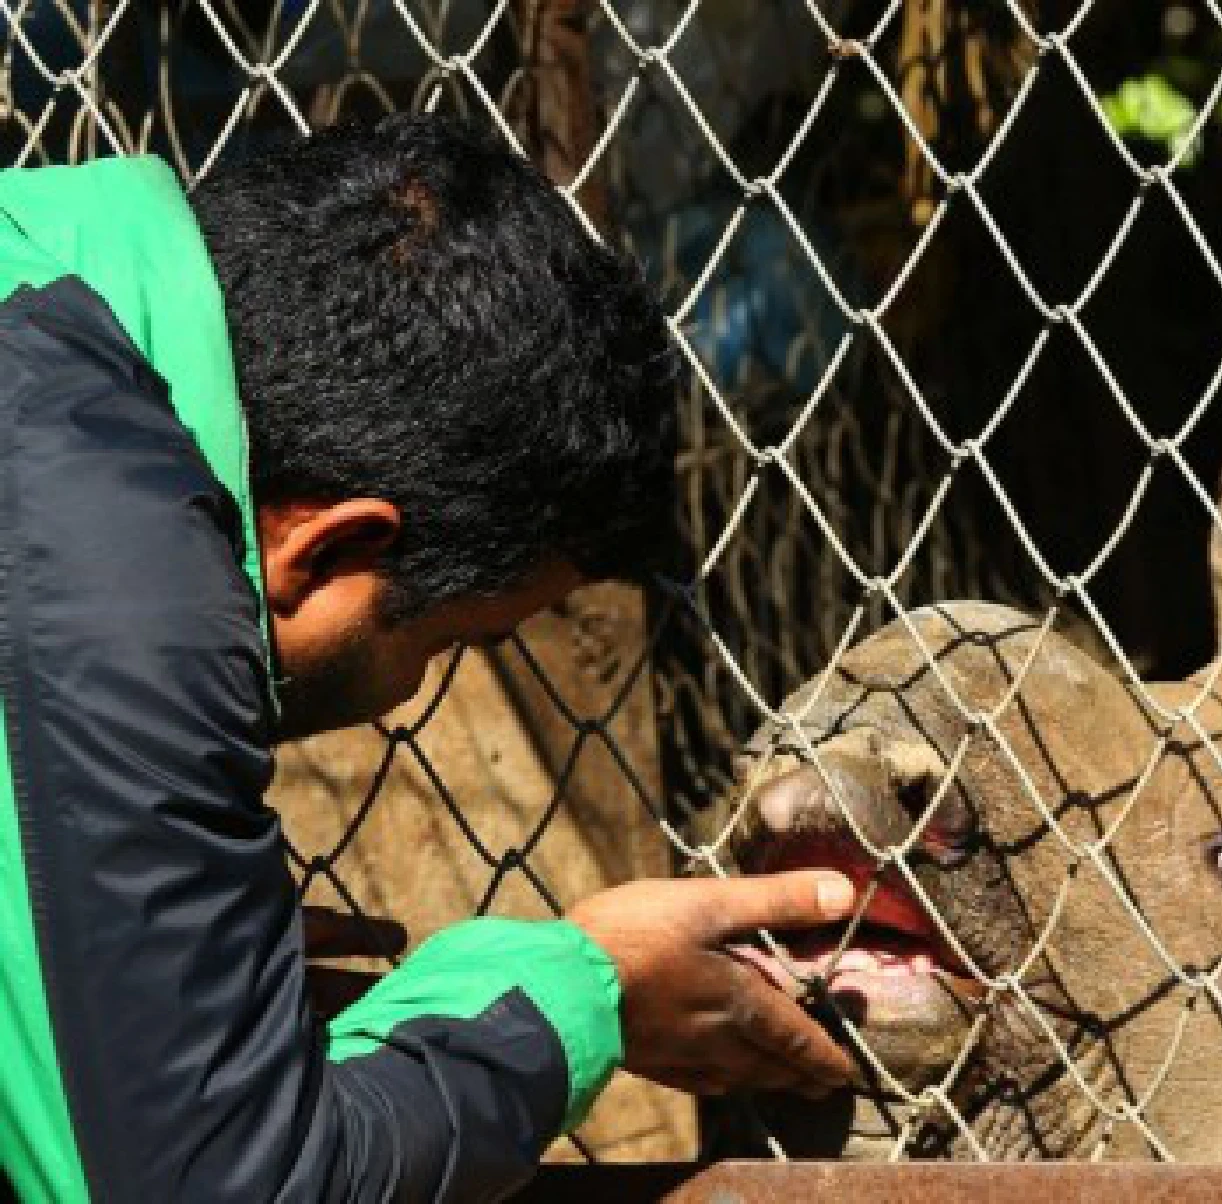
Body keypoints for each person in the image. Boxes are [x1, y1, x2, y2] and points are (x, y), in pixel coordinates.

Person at [0, 114, 859, 1202]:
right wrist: (584, 993)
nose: (413, 688)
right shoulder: (103, 587)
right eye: (452, 641)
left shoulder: (40, 288)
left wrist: (118, 975)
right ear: (334, 547)